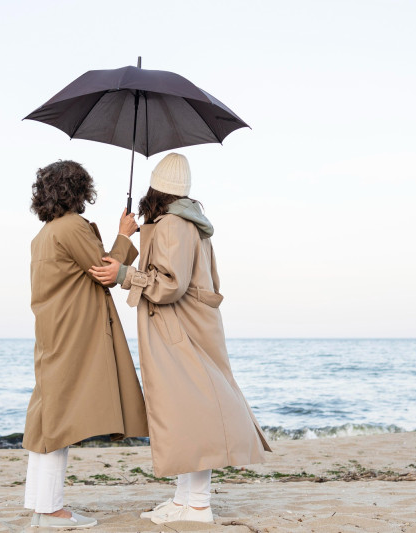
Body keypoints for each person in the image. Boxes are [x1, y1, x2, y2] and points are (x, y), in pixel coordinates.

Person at [90, 153, 271, 525]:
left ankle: (199, 505)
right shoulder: (184, 223)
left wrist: (125, 274)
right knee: (186, 413)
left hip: (180, 329)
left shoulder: (173, 224)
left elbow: (171, 285)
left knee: (194, 413)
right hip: (187, 327)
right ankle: (184, 499)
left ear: (155, 188)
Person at [23, 160, 148, 529]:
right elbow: (104, 271)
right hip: (73, 333)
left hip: (54, 333)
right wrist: (125, 234)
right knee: (56, 423)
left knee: (50, 418)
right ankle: (50, 511)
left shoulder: (45, 233)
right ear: (79, 190)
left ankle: (42, 505)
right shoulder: (71, 227)